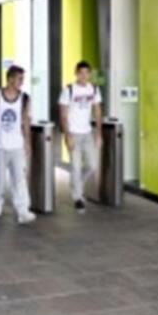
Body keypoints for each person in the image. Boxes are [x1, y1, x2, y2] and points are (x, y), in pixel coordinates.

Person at [0, 65, 36, 225]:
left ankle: (23, 210)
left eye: (22, 79)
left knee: (19, 179)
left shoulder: (24, 98)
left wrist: (27, 142)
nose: (22, 82)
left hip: (17, 145)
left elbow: (26, 120)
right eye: (19, 79)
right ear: (10, 79)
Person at [59, 61, 103, 214]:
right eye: (81, 73)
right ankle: (78, 198)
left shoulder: (94, 89)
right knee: (76, 167)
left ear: (89, 74)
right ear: (76, 73)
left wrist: (99, 134)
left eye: (87, 73)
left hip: (87, 133)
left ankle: (77, 184)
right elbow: (63, 115)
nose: (84, 76)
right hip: (73, 133)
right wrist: (67, 136)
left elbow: (97, 111)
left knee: (92, 165)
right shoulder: (69, 90)